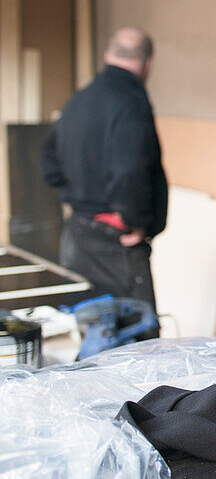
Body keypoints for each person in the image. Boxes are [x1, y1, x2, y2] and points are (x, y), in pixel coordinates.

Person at [41, 27, 167, 331]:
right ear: (148, 64)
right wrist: (133, 219)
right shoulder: (131, 101)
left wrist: (76, 199)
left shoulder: (79, 100)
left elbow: (48, 161)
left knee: (90, 336)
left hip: (78, 237)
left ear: (108, 55)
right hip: (117, 244)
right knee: (139, 342)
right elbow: (130, 169)